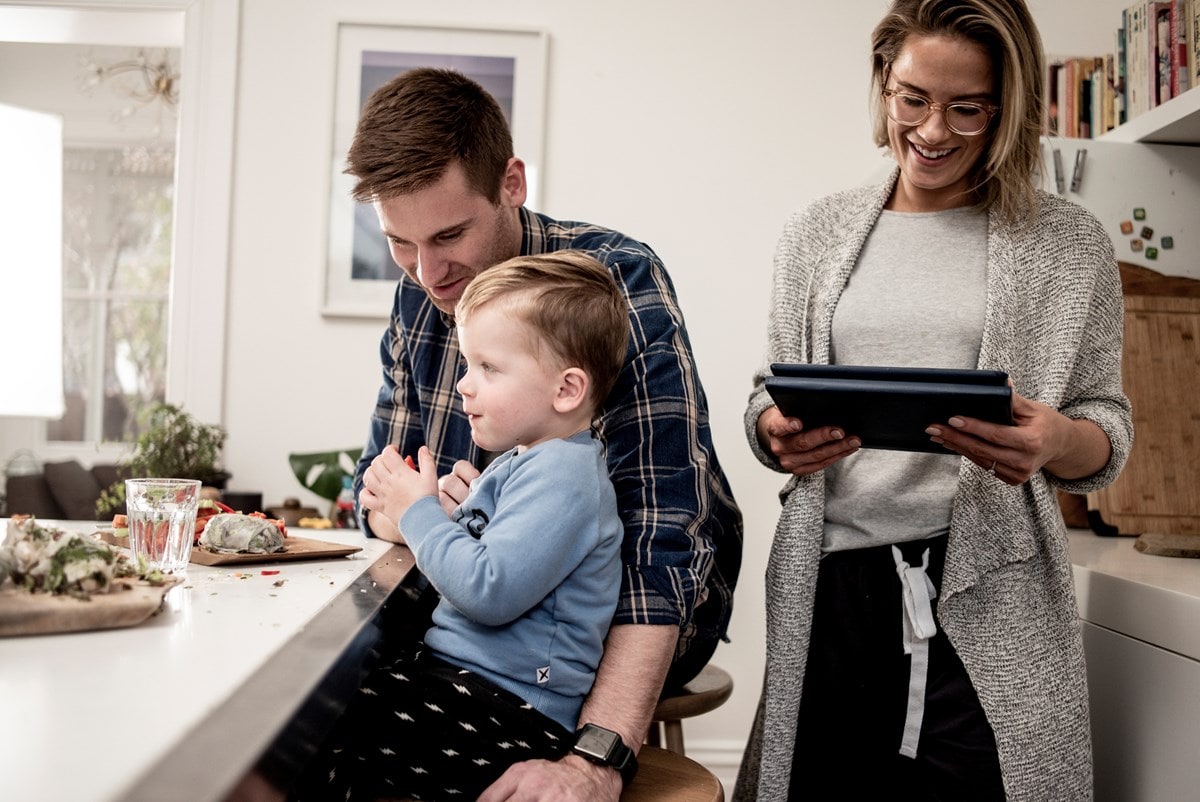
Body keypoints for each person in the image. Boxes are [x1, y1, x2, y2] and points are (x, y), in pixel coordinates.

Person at [736, 1, 1133, 800]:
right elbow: (767, 395)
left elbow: (1106, 428)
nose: (933, 129)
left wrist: (1056, 440)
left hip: (990, 584)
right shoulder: (815, 234)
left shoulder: (1068, 243)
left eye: (967, 107)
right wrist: (770, 431)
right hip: (835, 581)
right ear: (884, 82)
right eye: (912, 96)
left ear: (1006, 108)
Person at [347, 67, 742, 800]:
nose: (428, 273)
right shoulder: (418, 295)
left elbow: (661, 539)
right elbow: (378, 485)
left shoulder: (611, 281)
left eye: (450, 234)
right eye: (400, 242)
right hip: (475, 617)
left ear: (512, 184)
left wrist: (596, 758)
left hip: (602, 625)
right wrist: (431, 515)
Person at [296, 252, 629, 801]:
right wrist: (443, 518)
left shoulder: (566, 476)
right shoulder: (525, 462)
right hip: (469, 688)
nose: (464, 387)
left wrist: (417, 512)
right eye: (467, 365)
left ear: (567, 389)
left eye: (489, 368)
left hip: (514, 710)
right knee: (328, 712)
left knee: (329, 740)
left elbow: (487, 588)